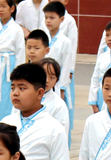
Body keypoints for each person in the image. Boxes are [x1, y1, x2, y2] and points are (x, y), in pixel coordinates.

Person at [0, 0, 26, 119]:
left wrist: (19, 72)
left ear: (12, 9)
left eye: (4, 6)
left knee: (7, 94)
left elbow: (20, 52)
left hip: (10, 65)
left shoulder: (17, 29)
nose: (0, 10)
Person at [42, 1, 75, 134]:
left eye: (52, 18)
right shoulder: (43, 38)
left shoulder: (65, 41)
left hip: (57, 81)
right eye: (46, 17)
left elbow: (66, 66)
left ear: (61, 19)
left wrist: (62, 87)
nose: (48, 21)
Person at [39, 57, 69, 138]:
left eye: (52, 77)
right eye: (44, 75)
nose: (47, 80)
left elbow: (62, 134)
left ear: (56, 81)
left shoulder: (59, 105)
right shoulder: (25, 98)